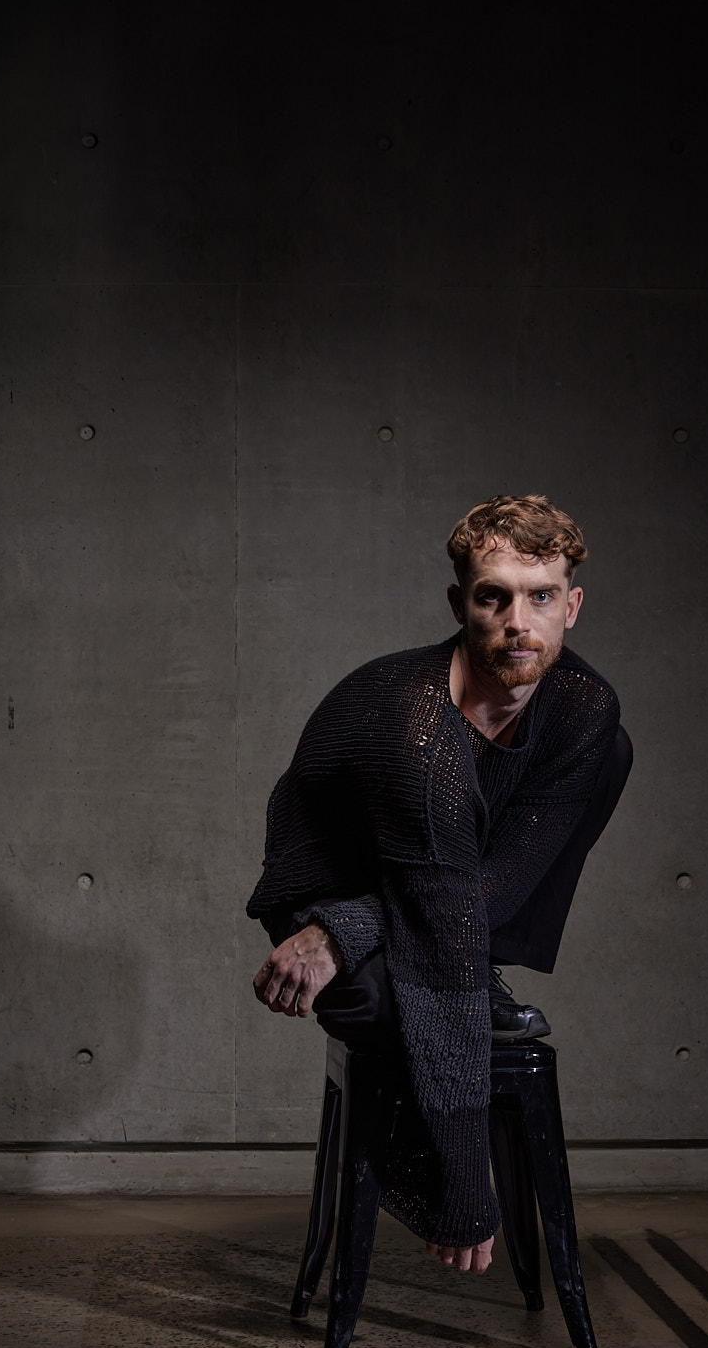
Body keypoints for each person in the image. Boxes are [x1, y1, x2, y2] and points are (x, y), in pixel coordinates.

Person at [247, 495, 632, 1276]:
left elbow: (487, 886)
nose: (518, 621)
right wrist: (464, 1186)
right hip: (330, 880)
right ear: (461, 605)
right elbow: (433, 904)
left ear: (573, 605)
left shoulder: (581, 707)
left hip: (397, 902)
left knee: (609, 751)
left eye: (542, 597)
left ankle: (462, 961)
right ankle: (432, 1010)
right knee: (378, 1004)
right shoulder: (414, 726)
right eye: (494, 597)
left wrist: (351, 933)